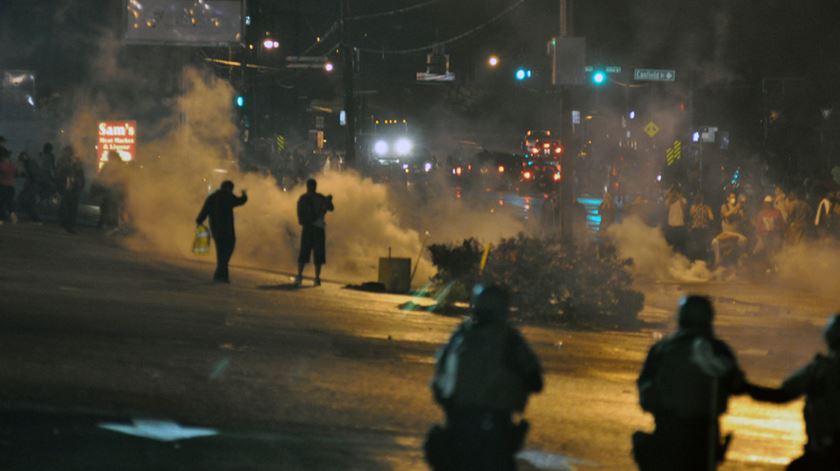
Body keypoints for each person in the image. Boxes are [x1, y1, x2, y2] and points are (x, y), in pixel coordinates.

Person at [427, 285, 543, 471]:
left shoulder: (461, 336)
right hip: (495, 426)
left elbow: (438, 383)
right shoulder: (510, 340)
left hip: (458, 424)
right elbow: (536, 382)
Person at [634, 295, 748, 471]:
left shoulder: (663, 348)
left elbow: (645, 391)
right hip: (703, 436)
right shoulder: (717, 349)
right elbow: (737, 384)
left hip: (669, 431)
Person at [747, 315, 840, 470]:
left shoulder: (819, 370)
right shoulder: (819, 370)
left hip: (822, 453)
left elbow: (781, 395)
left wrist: (744, 387)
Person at [195, 180, 247, 283]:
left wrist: (199, 220)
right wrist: (244, 195)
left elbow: (205, 210)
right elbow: (240, 201)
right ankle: (220, 275)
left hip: (216, 230)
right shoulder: (228, 196)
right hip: (227, 231)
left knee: (220, 252)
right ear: (228, 188)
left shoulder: (212, 197)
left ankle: (222, 276)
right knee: (227, 251)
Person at [295, 178, 334, 286]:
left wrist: (328, 202)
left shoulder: (304, 198)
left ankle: (300, 276)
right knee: (315, 254)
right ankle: (316, 278)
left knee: (307, 253)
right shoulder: (318, 198)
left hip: (310, 228)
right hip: (317, 228)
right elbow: (330, 208)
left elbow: (300, 213)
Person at [54, 146, 86, 233]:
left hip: (72, 188)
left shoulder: (75, 162)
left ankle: (69, 225)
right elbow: (59, 174)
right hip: (67, 187)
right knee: (67, 206)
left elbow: (80, 175)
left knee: (71, 207)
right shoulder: (64, 162)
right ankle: (66, 224)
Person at [712, 193, 748, 267]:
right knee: (714, 242)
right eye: (731, 197)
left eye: (734, 197)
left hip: (736, 235)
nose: (733, 199)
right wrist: (736, 208)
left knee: (744, 240)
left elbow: (744, 220)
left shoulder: (739, 208)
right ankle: (718, 262)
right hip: (726, 234)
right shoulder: (724, 206)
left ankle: (740, 262)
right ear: (727, 198)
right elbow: (726, 215)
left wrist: (742, 213)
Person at [752, 195, 785, 259]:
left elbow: (782, 224)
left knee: (776, 252)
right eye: (767, 203)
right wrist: (759, 235)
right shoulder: (761, 213)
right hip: (764, 237)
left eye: (769, 203)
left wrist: (778, 230)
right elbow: (758, 226)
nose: (768, 205)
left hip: (775, 236)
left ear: (772, 203)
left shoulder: (777, 212)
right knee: (756, 253)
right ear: (764, 204)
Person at [16, 151, 42, 222]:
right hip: (31, 186)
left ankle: (36, 219)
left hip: (32, 186)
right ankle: (34, 218)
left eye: (22, 159)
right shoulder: (29, 163)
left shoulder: (30, 163)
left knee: (26, 201)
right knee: (23, 200)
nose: (21, 161)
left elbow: (33, 174)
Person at [689, 194, 715, 262]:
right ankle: (703, 261)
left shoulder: (693, 207)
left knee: (696, 245)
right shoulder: (707, 207)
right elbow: (711, 217)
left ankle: (696, 261)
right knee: (703, 245)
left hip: (695, 229)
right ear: (702, 200)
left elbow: (691, 215)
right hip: (704, 229)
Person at [664, 186, 688, 255]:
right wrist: (670, 197)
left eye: (676, 192)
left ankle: (680, 258)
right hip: (671, 225)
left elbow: (684, 208)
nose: (674, 193)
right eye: (673, 192)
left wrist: (679, 197)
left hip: (680, 225)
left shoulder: (683, 200)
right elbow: (667, 208)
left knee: (680, 245)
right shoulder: (668, 201)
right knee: (671, 245)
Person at [0, 146, 17, 223]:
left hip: (3, 185)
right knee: (9, 202)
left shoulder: (2, 164)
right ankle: (12, 215)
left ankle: (2, 218)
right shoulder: (12, 165)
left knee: (1, 202)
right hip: (11, 186)